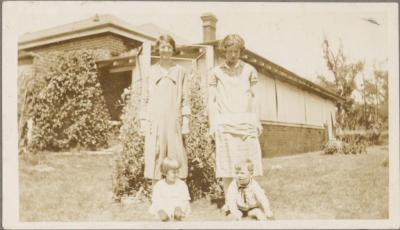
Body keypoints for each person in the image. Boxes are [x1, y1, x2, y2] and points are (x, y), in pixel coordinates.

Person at [208, 34, 263, 208]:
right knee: (227, 165)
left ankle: (247, 199)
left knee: (247, 163)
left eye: (236, 51)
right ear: (224, 51)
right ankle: (229, 201)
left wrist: (257, 121)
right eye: (230, 51)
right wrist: (213, 123)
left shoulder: (249, 70)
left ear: (241, 51)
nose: (233, 55)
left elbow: (255, 98)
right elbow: (211, 100)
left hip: (246, 122)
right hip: (225, 123)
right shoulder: (216, 72)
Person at [140, 35, 190, 183]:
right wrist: (143, 121)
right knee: (156, 154)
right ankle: (157, 196)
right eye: (162, 47)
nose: (166, 50)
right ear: (158, 49)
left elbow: (186, 98)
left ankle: (177, 195)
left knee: (176, 155)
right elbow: (144, 97)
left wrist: (186, 121)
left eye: (169, 47)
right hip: (155, 121)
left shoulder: (181, 71)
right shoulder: (150, 71)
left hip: (174, 121)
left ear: (173, 50)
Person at [149, 157, 191, 221]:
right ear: (165, 173)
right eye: (174, 172)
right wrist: (160, 210)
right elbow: (156, 201)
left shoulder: (182, 184)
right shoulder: (159, 185)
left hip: (178, 208)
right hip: (163, 208)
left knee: (178, 215)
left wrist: (180, 207)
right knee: (162, 217)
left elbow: (185, 200)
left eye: (177, 172)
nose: (176, 175)